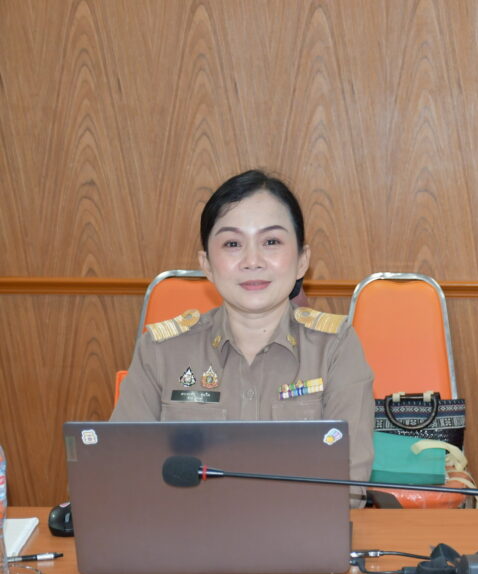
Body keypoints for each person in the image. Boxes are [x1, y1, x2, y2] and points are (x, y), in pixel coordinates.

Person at [111, 170, 375, 505]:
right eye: (233, 244)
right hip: (183, 532)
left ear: (302, 261)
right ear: (207, 264)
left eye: (271, 242)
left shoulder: (335, 348)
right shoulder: (161, 351)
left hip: (299, 535)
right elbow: (121, 470)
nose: (252, 261)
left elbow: (347, 484)